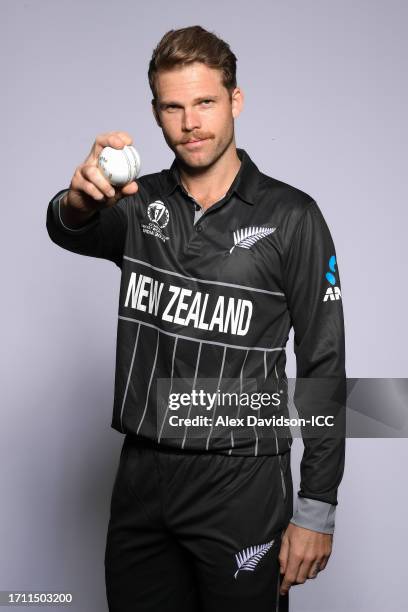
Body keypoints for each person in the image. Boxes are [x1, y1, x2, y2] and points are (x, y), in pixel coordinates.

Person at [46, 25, 346, 612]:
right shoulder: (137, 203)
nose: (190, 124)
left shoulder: (293, 216)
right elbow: (67, 229)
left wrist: (316, 506)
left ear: (235, 100)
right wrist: (75, 199)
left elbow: (324, 364)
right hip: (142, 473)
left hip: (241, 478)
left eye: (205, 102)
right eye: (173, 107)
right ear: (156, 113)